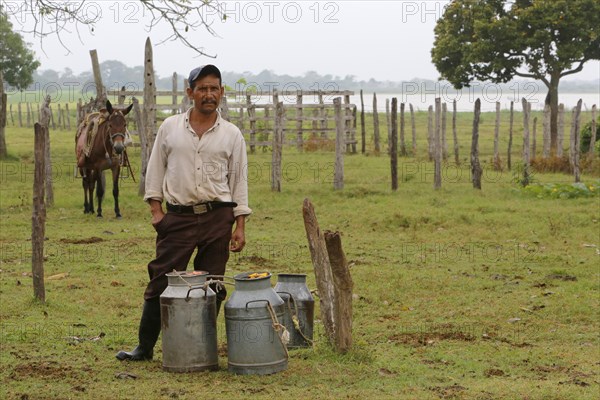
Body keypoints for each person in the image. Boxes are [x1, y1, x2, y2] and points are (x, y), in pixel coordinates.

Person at [116, 64, 251, 361]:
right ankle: (145, 347)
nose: (208, 94)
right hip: (178, 217)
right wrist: (156, 211)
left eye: (214, 88)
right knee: (161, 279)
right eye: (202, 88)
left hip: (219, 216)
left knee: (213, 282)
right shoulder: (171, 128)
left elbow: (238, 181)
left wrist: (239, 225)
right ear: (190, 92)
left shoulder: (231, 134)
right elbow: (155, 169)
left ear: (222, 93)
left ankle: (200, 345)